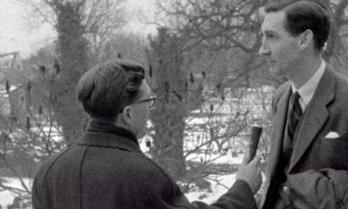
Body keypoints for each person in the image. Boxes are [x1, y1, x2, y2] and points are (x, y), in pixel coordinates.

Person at [32, 60, 262, 209]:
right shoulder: (141, 174)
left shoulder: (48, 172)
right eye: (149, 100)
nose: (152, 108)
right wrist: (243, 188)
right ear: (128, 114)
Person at [258, 0, 348, 209]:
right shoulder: (280, 98)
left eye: (272, 37)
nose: (262, 50)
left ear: (304, 39)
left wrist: (320, 189)